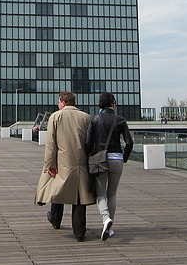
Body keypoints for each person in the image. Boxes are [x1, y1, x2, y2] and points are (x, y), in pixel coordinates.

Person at [35, 91, 95, 242]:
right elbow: (91, 142)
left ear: (63, 102)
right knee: (80, 197)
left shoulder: (55, 117)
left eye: (58, 102)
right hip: (81, 162)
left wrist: (50, 164)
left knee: (58, 191)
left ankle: (55, 220)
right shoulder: (86, 117)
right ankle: (79, 231)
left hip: (62, 162)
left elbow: (51, 144)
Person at [85, 92, 133, 241]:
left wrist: (90, 156)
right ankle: (110, 228)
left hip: (101, 159)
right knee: (112, 193)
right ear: (113, 103)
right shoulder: (120, 120)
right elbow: (129, 142)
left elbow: (88, 142)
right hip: (117, 158)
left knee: (101, 194)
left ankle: (106, 219)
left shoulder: (95, 119)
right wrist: (123, 158)